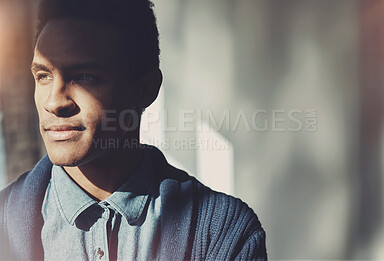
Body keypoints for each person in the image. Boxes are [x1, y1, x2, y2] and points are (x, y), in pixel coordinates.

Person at [0, 0, 267, 260]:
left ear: (145, 89)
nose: (54, 102)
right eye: (43, 76)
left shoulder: (222, 233)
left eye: (84, 76)